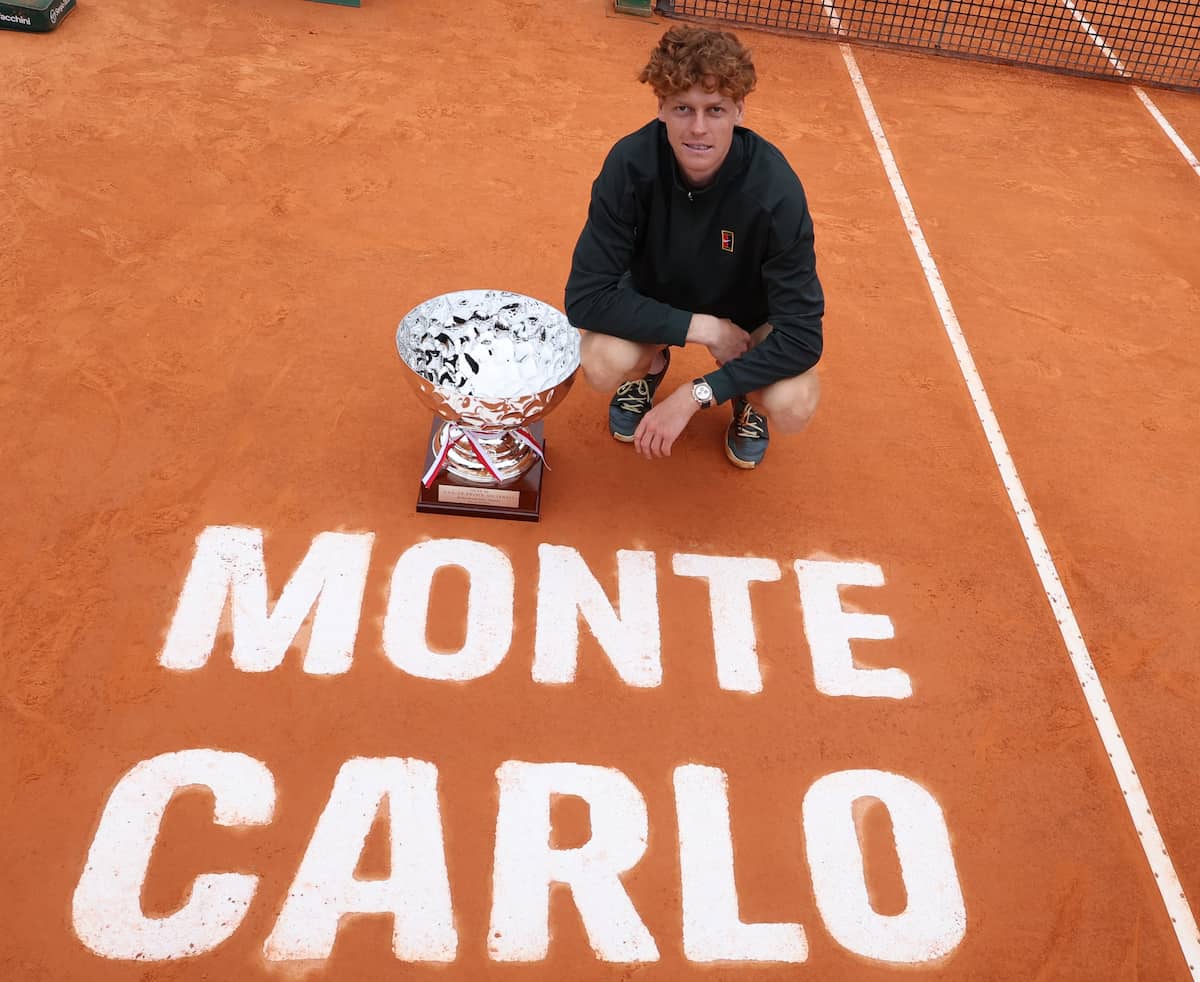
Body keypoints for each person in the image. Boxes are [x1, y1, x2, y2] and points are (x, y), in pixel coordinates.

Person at [564, 25, 824, 469]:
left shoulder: (776, 191)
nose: (698, 129)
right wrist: (703, 328)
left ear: (739, 110)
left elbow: (802, 337)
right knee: (602, 359)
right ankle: (649, 366)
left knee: (792, 401)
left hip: (749, 323)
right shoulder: (629, 165)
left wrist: (699, 391)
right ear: (661, 107)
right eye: (683, 108)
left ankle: (746, 397)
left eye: (715, 109)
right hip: (657, 301)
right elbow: (585, 298)